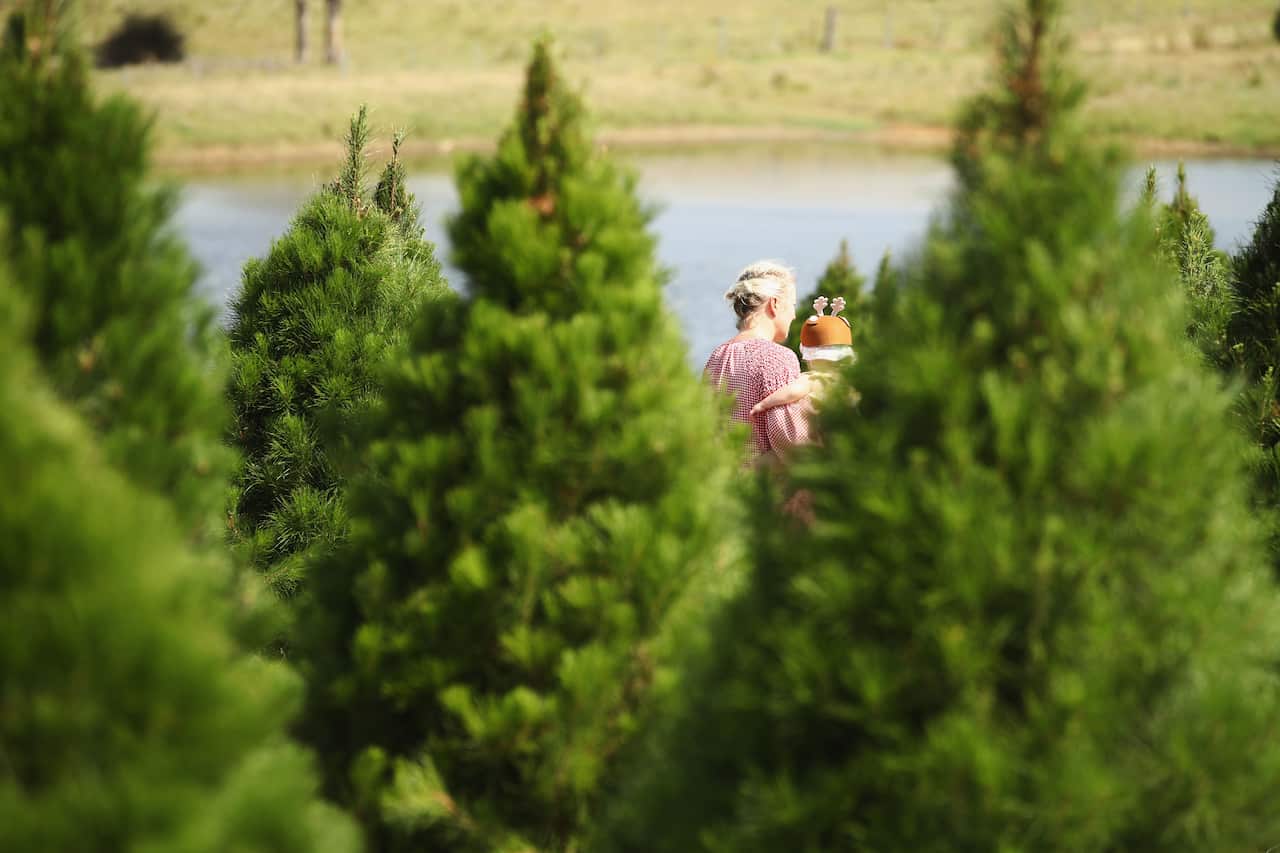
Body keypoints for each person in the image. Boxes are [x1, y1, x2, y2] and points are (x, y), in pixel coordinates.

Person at [703, 260, 810, 463]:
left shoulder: (716, 357)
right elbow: (794, 448)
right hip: (767, 491)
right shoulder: (777, 358)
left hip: (720, 486)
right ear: (775, 304)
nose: (794, 315)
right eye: (793, 305)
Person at [749, 295, 857, 428]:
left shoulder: (814, 378)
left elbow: (792, 392)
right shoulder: (845, 383)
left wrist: (764, 404)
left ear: (811, 359)